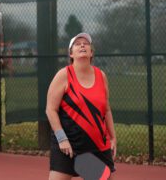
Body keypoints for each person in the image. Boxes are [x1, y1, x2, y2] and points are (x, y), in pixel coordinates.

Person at [46, 33, 117, 180]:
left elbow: (107, 109)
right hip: (68, 146)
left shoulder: (101, 76)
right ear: (71, 53)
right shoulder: (63, 75)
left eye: (86, 43)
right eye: (77, 44)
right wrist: (62, 139)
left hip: (96, 146)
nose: (83, 45)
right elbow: (50, 109)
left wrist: (113, 138)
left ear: (91, 53)